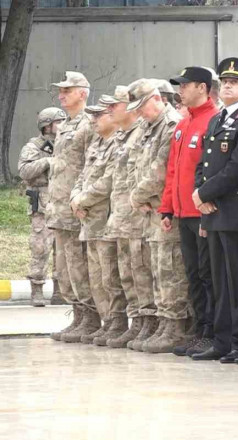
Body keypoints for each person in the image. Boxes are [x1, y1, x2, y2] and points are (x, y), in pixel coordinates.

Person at [189, 61, 238, 363]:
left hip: (234, 211)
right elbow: (204, 162)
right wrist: (200, 195)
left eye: (235, 82)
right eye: (225, 81)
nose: (228, 86)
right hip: (214, 211)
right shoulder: (218, 119)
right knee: (218, 280)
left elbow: (236, 168)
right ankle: (222, 340)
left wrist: (204, 193)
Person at [162, 63, 222, 358]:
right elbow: (173, 169)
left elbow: (212, 171)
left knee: (208, 274)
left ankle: (212, 332)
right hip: (183, 212)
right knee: (193, 274)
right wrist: (167, 208)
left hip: (202, 211)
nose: (180, 90)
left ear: (203, 88)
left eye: (185, 85)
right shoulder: (184, 123)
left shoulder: (214, 120)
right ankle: (199, 329)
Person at [128, 78, 187, 353]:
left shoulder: (171, 125)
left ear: (156, 99)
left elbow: (160, 169)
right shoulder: (147, 127)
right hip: (150, 211)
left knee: (171, 269)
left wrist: (137, 196)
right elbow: (136, 167)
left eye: (141, 106)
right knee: (158, 270)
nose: (138, 113)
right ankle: (164, 323)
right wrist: (137, 197)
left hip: (167, 210)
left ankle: (176, 326)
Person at [47, 71, 100, 343]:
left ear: (82, 92)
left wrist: (83, 199)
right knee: (64, 270)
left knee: (81, 268)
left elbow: (92, 166)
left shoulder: (89, 123)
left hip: (78, 209)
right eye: (60, 91)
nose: (61, 95)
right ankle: (78, 315)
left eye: (67, 90)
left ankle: (91, 318)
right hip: (59, 210)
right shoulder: (66, 125)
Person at [70, 99, 127, 344]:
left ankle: (117, 322)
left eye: (99, 115)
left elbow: (108, 181)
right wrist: (75, 198)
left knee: (109, 276)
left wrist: (82, 199)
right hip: (89, 220)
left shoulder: (118, 143)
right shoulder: (97, 143)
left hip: (105, 219)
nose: (93, 121)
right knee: (96, 276)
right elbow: (82, 175)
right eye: (91, 116)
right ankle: (106, 321)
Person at [101, 85, 153, 349]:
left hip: (138, 217)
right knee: (127, 275)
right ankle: (137, 322)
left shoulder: (141, 134)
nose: (110, 110)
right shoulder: (122, 137)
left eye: (114, 105)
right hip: (121, 217)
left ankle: (148, 322)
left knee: (142, 274)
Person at [18, 107, 65, 307]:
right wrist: (47, 161)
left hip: (62, 202)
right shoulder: (33, 146)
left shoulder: (66, 144)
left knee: (62, 249)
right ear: (47, 125)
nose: (63, 125)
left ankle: (60, 290)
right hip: (43, 204)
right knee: (40, 247)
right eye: (58, 121)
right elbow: (25, 171)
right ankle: (37, 288)